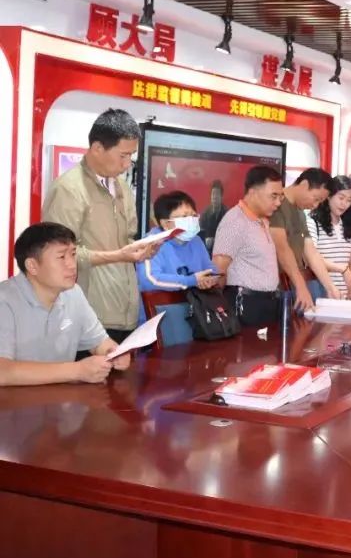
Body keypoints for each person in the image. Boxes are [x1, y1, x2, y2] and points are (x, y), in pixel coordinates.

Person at [42, 108, 155, 343]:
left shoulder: (122, 187)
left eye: (131, 156)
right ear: (97, 148)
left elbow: (127, 238)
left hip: (125, 309)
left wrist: (142, 249)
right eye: (123, 155)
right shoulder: (69, 189)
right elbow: (56, 254)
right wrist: (118, 255)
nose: (127, 164)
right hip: (88, 314)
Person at [0, 223, 131, 386]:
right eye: (61, 257)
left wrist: (114, 353)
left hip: (62, 397)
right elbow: (2, 372)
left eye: (73, 254)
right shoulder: (4, 300)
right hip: (13, 400)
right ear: (32, 266)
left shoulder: (73, 293)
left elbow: (100, 343)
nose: (72, 265)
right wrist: (77, 371)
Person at [211, 165, 286, 327]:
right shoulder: (235, 222)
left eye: (280, 197)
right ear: (252, 192)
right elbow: (218, 270)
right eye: (273, 196)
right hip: (246, 306)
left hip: (268, 304)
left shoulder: (262, 220)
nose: (278, 202)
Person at [270, 168, 337, 309]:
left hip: (294, 285)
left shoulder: (300, 212)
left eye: (320, 202)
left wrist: (330, 287)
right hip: (277, 290)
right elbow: (282, 249)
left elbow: (311, 251)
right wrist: (301, 286)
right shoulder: (277, 205)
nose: (315, 205)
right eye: (316, 198)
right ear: (304, 184)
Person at [137, 191, 218, 292]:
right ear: (166, 224)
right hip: (162, 301)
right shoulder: (151, 243)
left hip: (195, 300)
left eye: (193, 216)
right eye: (184, 217)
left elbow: (210, 269)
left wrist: (210, 279)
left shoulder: (196, 241)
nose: (191, 220)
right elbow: (148, 280)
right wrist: (191, 280)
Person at [307, 175, 351, 298]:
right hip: (322, 293)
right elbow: (312, 258)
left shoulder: (349, 225)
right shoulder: (313, 222)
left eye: (349, 200)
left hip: (344, 297)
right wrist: (342, 269)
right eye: (341, 198)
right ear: (329, 196)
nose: (344, 204)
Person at [199, 180, 227, 251]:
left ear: (221, 197)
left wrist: (215, 240)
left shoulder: (227, 214)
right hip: (208, 251)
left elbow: (230, 235)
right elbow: (200, 235)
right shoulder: (205, 214)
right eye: (213, 194)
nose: (215, 197)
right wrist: (205, 239)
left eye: (217, 194)